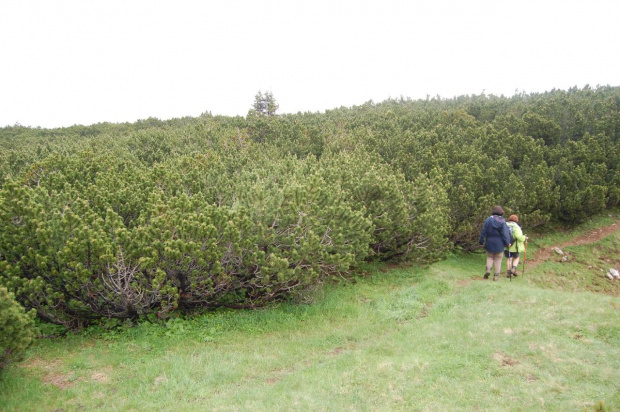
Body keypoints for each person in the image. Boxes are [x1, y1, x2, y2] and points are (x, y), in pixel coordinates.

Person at [479, 206, 511, 281]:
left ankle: (488, 270)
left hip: (489, 241)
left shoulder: (488, 220)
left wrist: (481, 241)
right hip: (499, 243)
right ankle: (496, 276)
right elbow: (505, 234)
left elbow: (483, 231)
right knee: (498, 259)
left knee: (490, 257)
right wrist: (508, 242)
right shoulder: (503, 222)